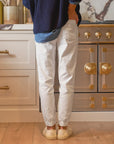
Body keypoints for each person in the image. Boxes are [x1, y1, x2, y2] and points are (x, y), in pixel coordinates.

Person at [23, 0, 82, 140]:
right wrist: (71, 9)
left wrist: (39, 14)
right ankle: (63, 128)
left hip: (42, 23)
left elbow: (27, 1)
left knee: (45, 80)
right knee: (66, 78)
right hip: (67, 21)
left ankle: (50, 128)